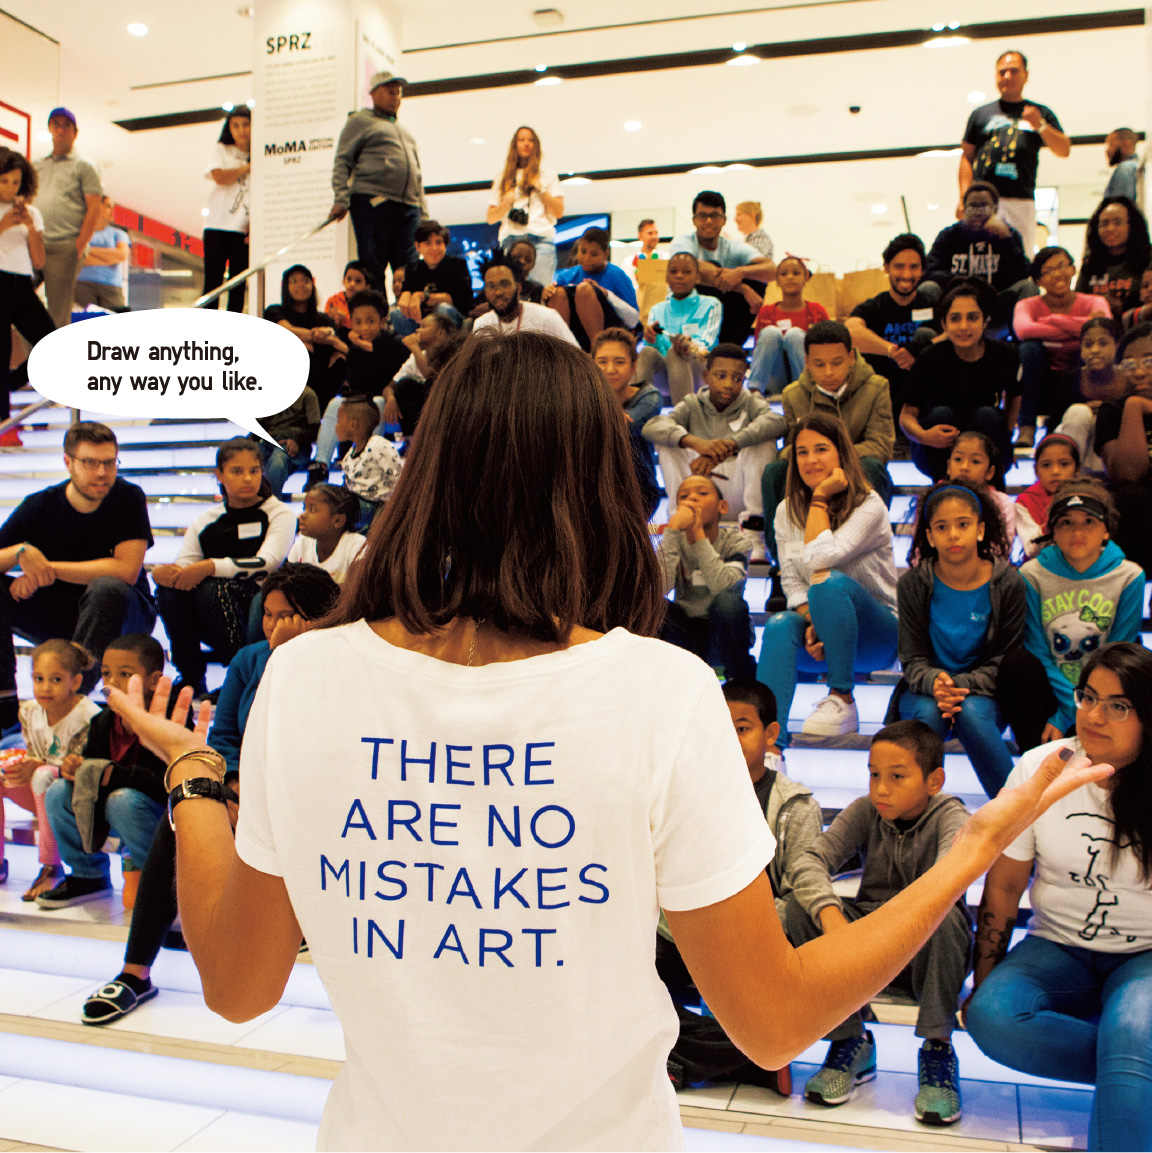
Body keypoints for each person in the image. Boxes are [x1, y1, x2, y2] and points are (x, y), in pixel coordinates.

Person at [104, 327, 1111, 1152]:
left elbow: (237, 989)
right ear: (599, 480)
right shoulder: (660, 691)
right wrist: (973, 848)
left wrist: (194, 780)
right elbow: (773, 1018)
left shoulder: (305, 675)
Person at [80, 567, 339, 1027]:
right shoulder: (249, 660)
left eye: (291, 616)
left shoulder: (339, 663)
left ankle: (291, 923)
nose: (276, 627)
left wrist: (294, 659)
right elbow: (224, 736)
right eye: (270, 615)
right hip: (246, 785)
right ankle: (134, 971)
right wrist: (234, 784)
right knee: (179, 818)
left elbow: (317, 738)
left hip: (308, 792)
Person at [965, 642, 1152, 1153]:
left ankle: (1133, 1063)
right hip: (1056, 947)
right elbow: (1004, 886)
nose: (1094, 715)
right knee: (989, 1017)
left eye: (1118, 705)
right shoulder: (1039, 767)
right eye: (1088, 697)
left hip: (1145, 956)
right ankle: (1131, 1071)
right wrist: (984, 977)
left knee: (1136, 1029)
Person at [785, 721, 972, 1125]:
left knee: (947, 917)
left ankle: (938, 1049)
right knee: (800, 909)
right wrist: (833, 919)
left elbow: (945, 882)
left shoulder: (950, 816)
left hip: (924, 948)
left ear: (934, 780)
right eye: (873, 774)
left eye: (897, 777)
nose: (881, 788)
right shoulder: (867, 811)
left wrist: (883, 933)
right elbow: (808, 862)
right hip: (867, 948)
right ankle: (849, 1039)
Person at [660, 678, 818, 1096]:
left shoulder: (796, 804)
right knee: (625, 979)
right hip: (685, 932)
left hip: (754, 938)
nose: (730, 739)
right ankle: (749, 1058)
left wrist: (730, 917)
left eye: (742, 727)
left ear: (770, 734)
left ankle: (679, 1057)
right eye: (721, 727)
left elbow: (799, 893)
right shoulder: (683, 792)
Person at [757, 413, 898, 741]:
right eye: (801, 452)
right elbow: (791, 582)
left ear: (841, 454)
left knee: (827, 579)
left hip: (876, 636)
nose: (810, 460)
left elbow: (821, 559)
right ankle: (768, 748)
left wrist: (820, 498)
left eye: (821, 449)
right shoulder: (785, 510)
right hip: (820, 638)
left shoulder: (869, 504)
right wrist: (813, 622)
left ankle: (843, 697)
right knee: (779, 626)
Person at [0, 421, 156, 713]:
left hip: (124, 610)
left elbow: (126, 570)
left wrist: (45, 568)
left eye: (109, 463)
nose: (101, 473)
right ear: (68, 462)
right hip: (62, 613)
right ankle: (4, 700)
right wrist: (19, 553)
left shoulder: (128, 498)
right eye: (90, 463)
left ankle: (69, 704)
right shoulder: (40, 505)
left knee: (106, 587)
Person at [890, 483, 1022, 797]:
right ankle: (907, 817)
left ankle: (1017, 817)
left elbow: (1008, 659)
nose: (953, 534)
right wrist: (937, 682)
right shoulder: (912, 584)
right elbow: (912, 659)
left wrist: (956, 686)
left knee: (971, 713)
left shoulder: (1009, 583)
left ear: (980, 530)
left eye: (963, 524)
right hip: (924, 690)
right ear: (930, 536)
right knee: (930, 714)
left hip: (985, 693)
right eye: (941, 527)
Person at [998, 482, 1144, 756]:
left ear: (1106, 531)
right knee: (1017, 665)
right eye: (1066, 523)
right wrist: (1069, 707)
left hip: (1105, 687)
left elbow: (1116, 650)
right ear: (1052, 530)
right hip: (1052, 690)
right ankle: (1035, 772)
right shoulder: (1032, 575)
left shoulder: (1130, 576)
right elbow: (1036, 648)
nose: (1077, 531)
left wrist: (1084, 705)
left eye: (1089, 521)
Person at [36, 635, 169, 910]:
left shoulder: (168, 719)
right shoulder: (103, 721)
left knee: (122, 800)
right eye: (107, 674)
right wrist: (76, 768)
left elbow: (167, 786)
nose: (112, 683)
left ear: (154, 680)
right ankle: (88, 876)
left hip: (159, 817)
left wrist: (112, 775)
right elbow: (94, 773)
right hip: (114, 809)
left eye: (125, 674)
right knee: (58, 790)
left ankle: (161, 882)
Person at [153, 439, 295, 696]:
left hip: (258, 603)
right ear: (219, 474)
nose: (248, 479)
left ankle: (239, 676)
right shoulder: (207, 520)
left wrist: (209, 566)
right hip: (212, 611)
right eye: (237, 471)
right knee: (168, 593)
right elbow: (186, 566)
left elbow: (268, 562)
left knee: (213, 588)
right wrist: (165, 573)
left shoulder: (280, 513)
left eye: (254, 470)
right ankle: (190, 676)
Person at [761, 320, 895, 568]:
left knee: (874, 467)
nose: (829, 372)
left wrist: (831, 457)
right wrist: (815, 457)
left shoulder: (877, 387)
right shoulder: (793, 394)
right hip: (811, 471)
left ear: (851, 357)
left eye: (837, 362)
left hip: (855, 471)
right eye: (819, 364)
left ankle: (866, 553)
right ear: (808, 362)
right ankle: (782, 565)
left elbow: (881, 445)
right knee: (774, 472)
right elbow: (791, 447)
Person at [642, 343, 783, 528]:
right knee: (669, 442)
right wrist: (696, 443)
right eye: (721, 376)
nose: (728, 384)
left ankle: (754, 528)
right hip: (699, 486)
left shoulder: (750, 402)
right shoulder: (692, 403)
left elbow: (777, 422)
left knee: (764, 442)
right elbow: (652, 427)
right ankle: (680, 519)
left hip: (738, 491)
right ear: (706, 376)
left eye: (737, 378)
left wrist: (731, 444)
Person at [0, 639, 99, 901]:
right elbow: (34, 754)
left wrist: (38, 765)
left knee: (44, 776)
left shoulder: (89, 715)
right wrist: (22, 766)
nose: (45, 687)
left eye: (55, 679)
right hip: (40, 791)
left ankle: (51, 867)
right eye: (38, 678)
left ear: (75, 682)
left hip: (73, 798)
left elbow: (80, 770)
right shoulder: (29, 711)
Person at [901, 280, 1020, 480]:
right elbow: (906, 417)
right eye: (955, 319)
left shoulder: (1004, 354)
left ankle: (990, 487)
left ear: (985, 321)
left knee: (987, 415)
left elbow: (1014, 397)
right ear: (943, 324)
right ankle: (941, 487)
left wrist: (1006, 436)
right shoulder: (930, 357)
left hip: (984, 437)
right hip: (937, 444)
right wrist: (924, 436)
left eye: (972, 318)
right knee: (941, 414)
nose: (963, 327)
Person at [958, 50, 1069, 254]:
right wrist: (964, 197)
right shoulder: (980, 114)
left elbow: (1064, 149)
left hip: (1021, 200)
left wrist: (1041, 125)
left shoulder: (1040, 112)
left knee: (1019, 257)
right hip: (982, 200)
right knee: (979, 256)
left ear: (1026, 75)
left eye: (1014, 71)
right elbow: (966, 156)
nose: (1007, 76)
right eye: (1002, 72)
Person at [329, 71, 425, 290]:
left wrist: (423, 213)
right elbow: (342, 160)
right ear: (372, 93)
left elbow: (418, 175)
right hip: (373, 203)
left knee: (409, 272)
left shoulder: (405, 132)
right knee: (373, 269)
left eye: (398, 92)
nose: (395, 95)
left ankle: (406, 321)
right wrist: (341, 199)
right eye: (389, 90)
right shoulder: (360, 121)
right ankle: (375, 321)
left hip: (409, 207)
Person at [658, 475, 755, 679]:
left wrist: (698, 535)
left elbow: (722, 586)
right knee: (658, 608)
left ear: (723, 506)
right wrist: (673, 530)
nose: (692, 499)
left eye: (702, 493)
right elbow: (661, 589)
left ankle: (739, 683)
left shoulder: (737, 541)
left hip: (723, 631)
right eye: (684, 496)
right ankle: (676, 683)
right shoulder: (673, 542)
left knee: (728, 601)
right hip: (686, 633)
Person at [1014, 247, 1112, 446]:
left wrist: (1053, 320)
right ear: (1038, 281)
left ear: (1073, 270)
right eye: (1048, 271)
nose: (1057, 274)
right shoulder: (1027, 305)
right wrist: (1078, 327)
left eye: (1061, 266)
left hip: (1079, 370)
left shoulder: (1095, 301)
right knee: (1029, 349)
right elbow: (1023, 331)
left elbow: (1103, 327)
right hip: (1041, 376)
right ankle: (1026, 427)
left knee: (1090, 344)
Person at [310, 289, 409, 474]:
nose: (364, 328)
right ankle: (320, 466)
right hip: (364, 405)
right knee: (335, 403)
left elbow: (391, 381)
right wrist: (364, 349)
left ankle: (368, 465)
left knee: (376, 403)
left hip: (394, 412)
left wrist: (370, 350)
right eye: (358, 322)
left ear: (382, 319)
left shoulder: (396, 345)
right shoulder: (356, 349)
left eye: (370, 321)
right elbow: (357, 384)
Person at [846, 234, 939, 420]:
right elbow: (850, 331)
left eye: (914, 267)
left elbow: (950, 336)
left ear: (922, 270)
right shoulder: (875, 306)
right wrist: (892, 351)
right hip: (882, 397)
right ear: (886, 268)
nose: (906, 274)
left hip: (923, 398)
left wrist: (918, 349)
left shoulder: (933, 306)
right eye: (899, 266)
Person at [924, 181, 1033, 332]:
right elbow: (930, 270)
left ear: (995, 208)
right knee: (928, 288)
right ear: (964, 208)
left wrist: (1005, 240)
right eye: (972, 206)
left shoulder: (1009, 235)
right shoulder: (949, 235)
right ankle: (935, 337)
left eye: (983, 206)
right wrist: (966, 283)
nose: (977, 211)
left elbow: (1022, 273)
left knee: (1028, 287)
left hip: (994, 304)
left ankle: (1021, 338)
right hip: (955, 304)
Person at [670, 191, 775, 344]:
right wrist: (743, 288)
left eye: (714, 216)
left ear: (724, 220)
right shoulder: (683, 243)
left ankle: (729, 347)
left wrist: (740, 272)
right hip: (687, 318)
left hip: (724, 321)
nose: (708, 221)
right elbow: (689, 267)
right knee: (696, 275)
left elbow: (772, 270)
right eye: (702, 216)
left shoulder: (732, 247)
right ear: (694, 220)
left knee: (755, 279)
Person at [0, 147, 53, 443]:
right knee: (1, 352)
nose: (10, 187)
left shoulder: (32, 213)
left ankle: (8, 385)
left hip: (23, 285)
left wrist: (31, 228)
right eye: (4, 180)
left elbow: (40, 261)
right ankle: (5, 425)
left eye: (15, 182)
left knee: (51, 341)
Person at [33, 107, 102, 327]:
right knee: (20, 302)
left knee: (58, 310)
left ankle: (53, 358)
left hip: (65, 245)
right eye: (56, 125)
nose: (61, 130)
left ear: (75, 131)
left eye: (66, 125)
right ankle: (31, 355)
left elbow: (94, 207)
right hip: (36, 243)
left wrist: (79, 244)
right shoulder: (37, 166)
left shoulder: (84, 166)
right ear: (49, 129)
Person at [1094, 322, 1152, 570]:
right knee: (1128, 497)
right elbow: (1127, 474)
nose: (1138, 373)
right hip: (1141, 510)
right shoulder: (1114, 410)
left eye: (1149, 362)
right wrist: (1135, 407)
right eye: (1128, 365)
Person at [592, 329, 661, 519]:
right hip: (592, 488)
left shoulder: (649, 396)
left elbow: (628, 426)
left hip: (638, 489)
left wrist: (598, 419)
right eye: (602, 362)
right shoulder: (582, 397)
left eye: (620, 362)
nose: (610, 369)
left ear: (633, 366)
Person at [636, 252, 721, 403]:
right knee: (647, 352)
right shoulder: (657, 310)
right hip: (666, 373)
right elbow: (656, 349)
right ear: (667, 277)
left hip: (699, 369)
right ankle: (639, 413)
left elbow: (705, 345)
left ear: (697, 277)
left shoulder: (711, 304)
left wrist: (688, 344)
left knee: (676, 352)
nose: (679, 276)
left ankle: (684, 418)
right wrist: (651, 339)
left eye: (687, 272)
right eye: (673, 271)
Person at [486, 126, 564, 285]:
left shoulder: (547, 175)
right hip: (511, 240)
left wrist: (540, 189)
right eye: (521, 140)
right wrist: (507, 201)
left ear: (537, 145)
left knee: (540, 292)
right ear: (515, 145)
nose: (526, 144)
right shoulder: (503, 177)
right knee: (511, 294)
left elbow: (559, 211)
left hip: (541, 240)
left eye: (531, 140)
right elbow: (491, 217)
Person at [545, 227, 639, 351]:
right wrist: (546, 295)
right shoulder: (566, 276)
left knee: (585, 290)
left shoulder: (617, 275)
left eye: (594, 254)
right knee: (558, 293)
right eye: (583, 251)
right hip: (573, 338)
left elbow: (633, 320)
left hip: (609, 336)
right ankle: (563, 352)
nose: (587, 258)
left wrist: (605, 294)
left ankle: (598, 353)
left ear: (605, 254)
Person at [748, 256, 830, 396]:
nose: (790, 277)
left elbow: (828, 350)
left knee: (795, 335)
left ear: (806, 278)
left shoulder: (817, 311)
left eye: (796, 273)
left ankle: (809, 394)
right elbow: (758, 351)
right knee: (770, 333)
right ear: (777, 281)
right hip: (774, 377)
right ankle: (754, 392)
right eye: (784, 274)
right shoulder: (766, 312)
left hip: (807, 377)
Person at [1053, 316, 1126, 473]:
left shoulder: (1129, 378)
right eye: (1088, 344)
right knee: (1078, 412)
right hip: (1077, 450)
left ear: (1117, 345)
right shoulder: (1070, 379)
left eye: (1103, 343)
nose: (1094, 350)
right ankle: (1068, 478)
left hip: (1115, 455)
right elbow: (1054, 425)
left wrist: (1108, 413)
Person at [263, 264, 335, 407]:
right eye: (294, 281)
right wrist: (320, 335)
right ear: (285, 286)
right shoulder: (274, 311)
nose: (301, 285)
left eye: (306, 281)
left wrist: (329, 333)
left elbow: (336, 343)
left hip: (321, 380)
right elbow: (286, 329)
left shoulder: (324, 319)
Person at [200, 107, 250, 313]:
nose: (241, 130)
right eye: (235, 125)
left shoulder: (261, 153)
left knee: (238, 285)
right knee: (213, 281)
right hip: (217, 225)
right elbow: (219, 176)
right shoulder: (221, 149)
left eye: (245, 124)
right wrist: (246, 168)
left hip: (243, 229)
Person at [471, 249, 578, 344]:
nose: (498, 292)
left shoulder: (545, 317)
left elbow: (576, 356)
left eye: (504, 284)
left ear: (519, 287)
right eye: (491, 286)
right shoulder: (481, 324)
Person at [1076, 197, 1152, 319]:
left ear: (1132, 226)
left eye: (1118, 223)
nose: (1110, 229)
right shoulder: (1091, 263)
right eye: (1104, 224)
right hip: (1100, 332)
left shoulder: (1148, 259)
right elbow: (1079, 304)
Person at [392, 220, 472, 336]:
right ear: (418, 246)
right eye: (428, 243)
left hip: (452, 317)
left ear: (445, 245)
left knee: (443, 309)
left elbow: (457, 300)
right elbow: (406, 293)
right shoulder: (412, 268)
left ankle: (444, 350)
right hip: (421, 318)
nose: (434, 248)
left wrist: (421, 296)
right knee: (397, 314)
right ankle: (416, 350)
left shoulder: (457, 265)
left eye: (438, 242)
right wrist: (406, 296)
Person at [334, 396, 403, 530]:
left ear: (353, 424)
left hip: (376, 507)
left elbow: (398, 476)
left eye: (338, 420)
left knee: (347, 508)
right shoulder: (350, 454)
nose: (335, 426)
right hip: (357, 503)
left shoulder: (379, 446)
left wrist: (391, 510)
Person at [1015, 433, 1081, 557]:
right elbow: (1031, 550)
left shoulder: (1088, 497)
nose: (1055, 471)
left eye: (1064, 464)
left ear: (1077, 468)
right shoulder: (1025, 502)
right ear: (1036, 470)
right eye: (1046, 465)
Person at [945, 430, 1017, 543]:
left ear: (990, 472)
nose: (964, 467)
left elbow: (1003, 547)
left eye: (975, 461)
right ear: (948, 466)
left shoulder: (1001, 503)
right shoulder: (935, 500)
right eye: (958, 459)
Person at [287, 485, 367, 584]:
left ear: (337, 520)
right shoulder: (302, 544)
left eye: (312, 510)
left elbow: (359, 590)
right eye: (304, 508)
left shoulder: (356, 546)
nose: (302, 515)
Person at [252, 385, 320, 500]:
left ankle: (271, 504)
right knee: (241, 455)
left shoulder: (307, 394)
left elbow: (314, 429)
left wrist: (296, 440)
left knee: (277, 460)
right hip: (269, 442)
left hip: (297, 446)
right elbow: (259, 427)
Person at [73, 196, 130, 311]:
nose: (112, 211)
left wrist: (88, 250)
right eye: (108, 206)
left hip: (112, 287)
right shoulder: (79, 232)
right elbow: (78, 257)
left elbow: (121, 255)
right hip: (82, 284)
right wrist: (109, 259)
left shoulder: (119, 234)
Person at [323, 261, 370, 329]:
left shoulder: (369, 305)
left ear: (367, 286)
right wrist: (333, 320)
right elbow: (325, 324)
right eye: (349, 279)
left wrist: (344, 318)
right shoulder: (333, 300)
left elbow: (366, 328)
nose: (352, 284)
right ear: (343, 281)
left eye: (358, 281)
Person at [1103, 128, 1140, 204]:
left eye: (1111, 144)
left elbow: (1120, 207)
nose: (1107, 151)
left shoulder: (1124, 169)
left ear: (1126, 144)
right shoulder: (1135, 168)